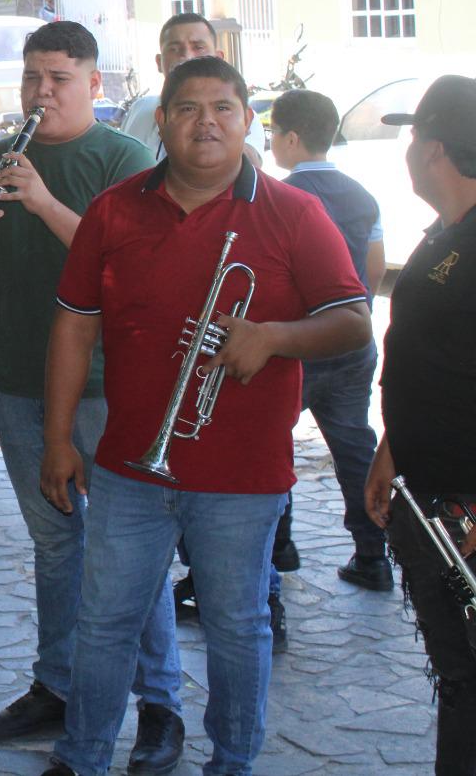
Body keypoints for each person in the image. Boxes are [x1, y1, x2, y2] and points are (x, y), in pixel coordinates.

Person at [38, 55, 372, 776]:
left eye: (223, 108)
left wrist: (274, 337)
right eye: (188, 108)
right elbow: (73, 326)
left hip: (242, 474)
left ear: (250, 120)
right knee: (103, 623)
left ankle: (232, 761)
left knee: (236, 628)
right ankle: (83, 755)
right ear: (160, 122)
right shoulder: (116, 208)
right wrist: (59, 437)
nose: (206, 123)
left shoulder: (294, 212)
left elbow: (353, 320)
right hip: (130, 464)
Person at [0, 22, 182, 772]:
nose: (40, 92)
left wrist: (43, 202)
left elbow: (136, 269)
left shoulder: (126, 160)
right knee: (55, 545)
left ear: (93, 83)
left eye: (56, 78)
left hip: (111, 385)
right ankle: (58, 684)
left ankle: (160, 707)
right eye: (31, 78)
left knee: (127, 553)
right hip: (20, 379)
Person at [362, 74, 476, 775]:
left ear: (434, 149)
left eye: (410, 138)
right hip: (428, 495)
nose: (405, 152)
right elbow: (430, 361)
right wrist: (390, 448)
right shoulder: (445, 233)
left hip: (467, 503)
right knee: (460, 678)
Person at [269, 89, 391, 589]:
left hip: (301, 342)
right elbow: (375, 268)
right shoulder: (363, 195)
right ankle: (372, 554)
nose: (271, 141)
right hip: (353, 340)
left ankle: (279, 549)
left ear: (292, 139)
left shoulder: (282, 198)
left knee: (273, 443)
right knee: (353, 443)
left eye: (274, 132)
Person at [120, 12, 266, 163]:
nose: (187, 57)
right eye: (174, 49)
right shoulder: (139, 109)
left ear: (219, 58)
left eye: (198, 47)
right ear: (159, 62)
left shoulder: (237, 116)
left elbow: (250, 167)